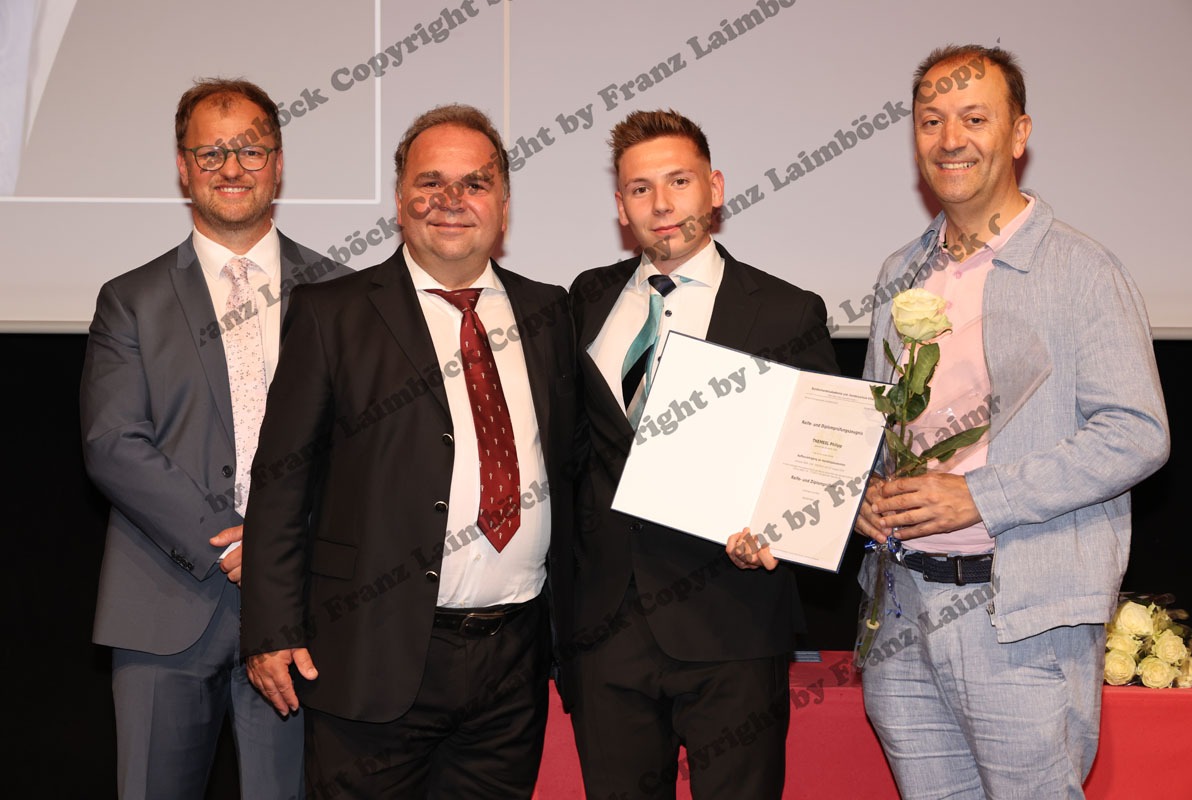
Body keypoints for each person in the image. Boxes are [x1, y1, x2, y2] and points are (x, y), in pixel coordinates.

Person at [853, 45, 1169, 799]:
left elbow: (1137, 431)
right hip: (902, 610)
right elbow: (874, 419)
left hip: (1020, 617)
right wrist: (861, 492)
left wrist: (981, 496)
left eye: (974, 118)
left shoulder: (1081, 271)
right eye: (931, 121)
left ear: (1019, 134)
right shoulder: (901, 272)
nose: (949, 139)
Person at [239, 104, 578, 799]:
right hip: (371, 654)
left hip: (514, 663)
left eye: (475, 183)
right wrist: (270, 628)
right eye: (430, 182)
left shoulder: (550, 313)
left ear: (503, 204)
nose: (452, 200)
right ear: (400, 201)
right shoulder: (332, 313)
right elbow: (281, 482)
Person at [80, 78, 350, 799]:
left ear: (278, 163)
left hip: (302, 612)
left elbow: (361, 448)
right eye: (211, 153)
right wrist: (235, 545)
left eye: (251, 151)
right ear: (183, 167)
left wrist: (278, 551)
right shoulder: (129, 299)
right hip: (162, 608)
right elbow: (113, 442)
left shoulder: (342, 293)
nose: (232, 168)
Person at [568, 109, 838, 799]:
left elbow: (818, 456)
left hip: (733, 617)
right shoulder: (585, 299)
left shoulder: (785, 311)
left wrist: (779, 527)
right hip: (606, 626)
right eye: (640, 189)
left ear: (714, 189)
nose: (661, 204)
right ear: (621, 205)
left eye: (679, 181)